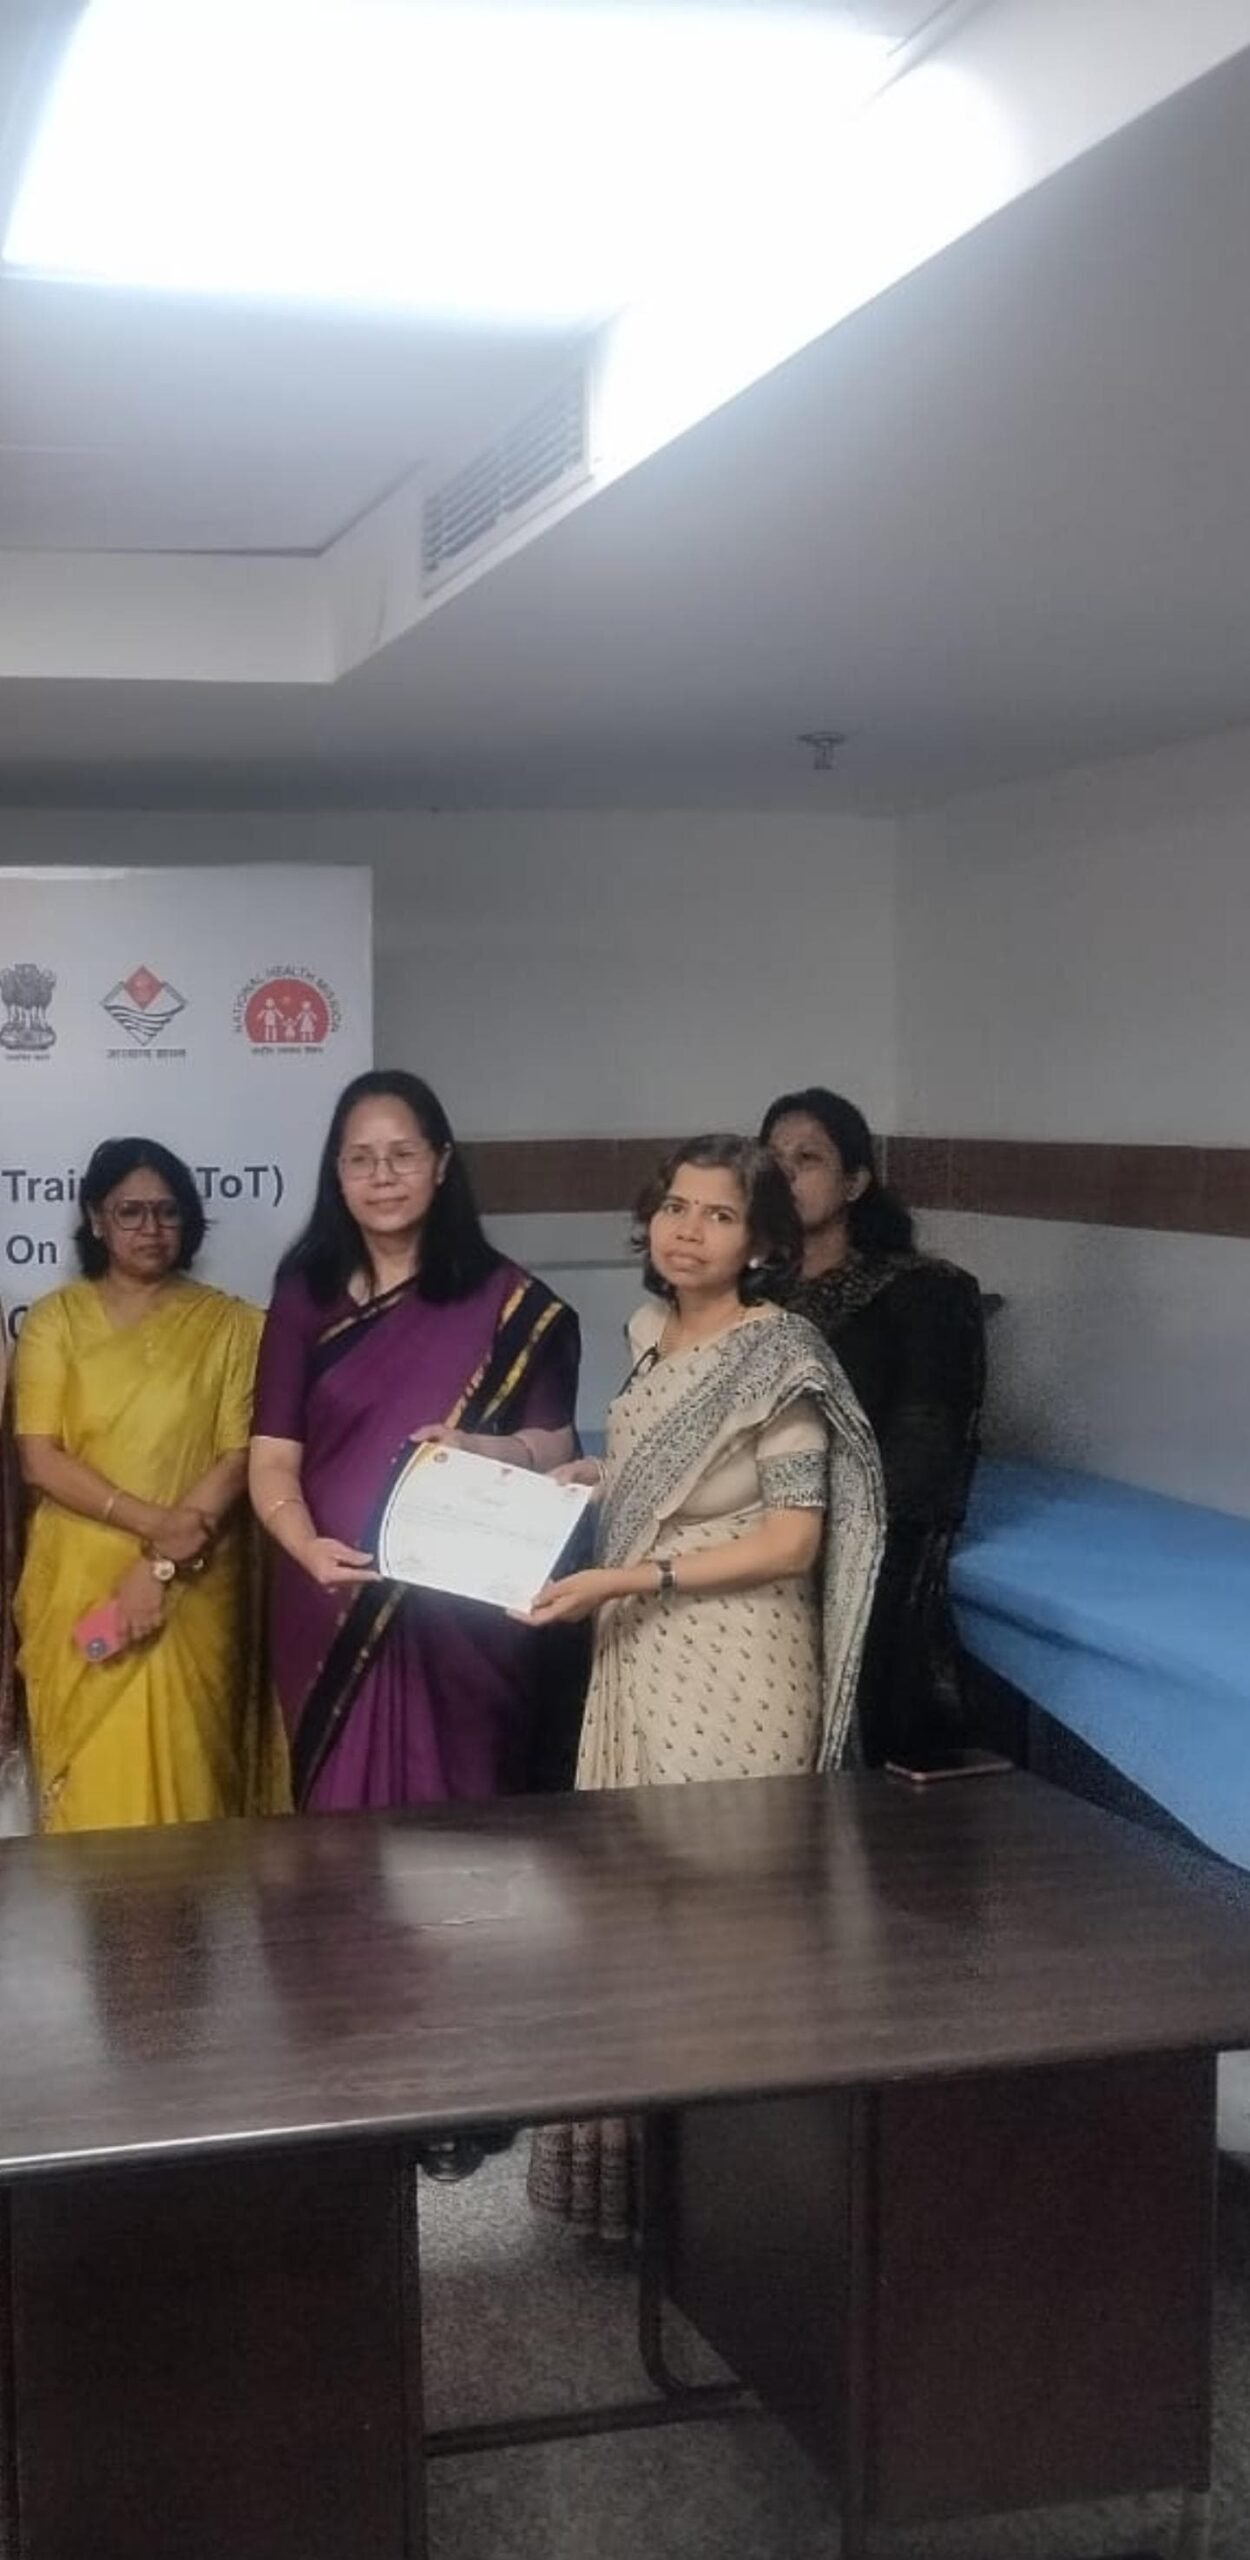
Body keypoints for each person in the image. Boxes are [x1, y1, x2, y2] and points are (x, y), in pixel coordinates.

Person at [525, 1133, 884, 2236]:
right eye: (674, 1207)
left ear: (762, 1240)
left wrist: (631, 1576)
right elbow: (658, 1478)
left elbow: (790, 1538)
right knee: (631, 1919)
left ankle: (745, 2221)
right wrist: (555, 1472)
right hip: (637, 1649)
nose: (687, 1231)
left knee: (729, 1928)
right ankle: (641, 2208)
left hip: (735, 1662)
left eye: (719, 1215)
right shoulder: (651, 1337)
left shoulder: (778, 1356)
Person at [249, 1069, 581, 1817]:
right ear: (337, 1173)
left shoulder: (513, 1305)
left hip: (463, 1617)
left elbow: (555, 1445)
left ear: (441, 1162)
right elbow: (272, 1456)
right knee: (337, 1829)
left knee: (464, 1830)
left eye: (402, 1155)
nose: (382, 1177)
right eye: (360, 1159)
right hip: (329, 1599)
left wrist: (479, 1449)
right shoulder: (305, 1295)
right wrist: (304, 1547)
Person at [12, 1138, 280, 1832]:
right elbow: (39, 1458)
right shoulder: (54, 1322)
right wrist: (156, 1530)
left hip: (195, 1583)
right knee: (91, 1789)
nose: (150, 1228)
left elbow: (237, 1456)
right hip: (83, 1582)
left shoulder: (234, 1326)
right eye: (129, 1212)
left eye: (167, 1211)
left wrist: (159, 1565)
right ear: (96, 1220)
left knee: (196, 1780)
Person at [762, 1087, 985, 1768]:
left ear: (855, 1182)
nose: (785, 1176)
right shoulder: (750, 1296)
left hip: (866, 1531)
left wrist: (804, 1523)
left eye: (808, 1159)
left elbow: (924, 1458)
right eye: (772, 1161)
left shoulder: (922, 1291)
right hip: (756, 1525)